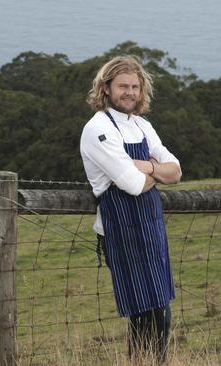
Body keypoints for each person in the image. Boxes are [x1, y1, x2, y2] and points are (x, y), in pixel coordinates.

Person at [80, 55, 182, 362]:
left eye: (135, 86)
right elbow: (133, 185)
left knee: (161, 310)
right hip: (121, 230)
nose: (130, 92)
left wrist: (141, 166)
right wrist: (154, 170)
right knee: (144, 313)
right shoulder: (98, 129)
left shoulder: (142, 125)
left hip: (152, 227)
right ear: (106, 88)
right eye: (123, 85)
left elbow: (176, 171)